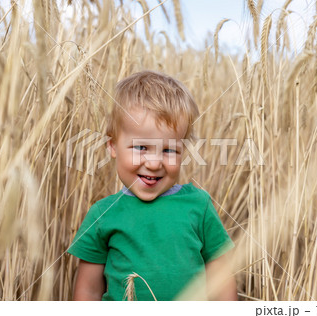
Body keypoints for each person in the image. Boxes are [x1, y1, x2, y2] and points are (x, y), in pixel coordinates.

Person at [68, 70, 237, 301]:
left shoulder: (199, 206)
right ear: (113, 146)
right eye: (141, 147)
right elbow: (88, 290)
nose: (155, 163)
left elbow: (221, 279)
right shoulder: (102, 214)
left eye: (169, 150)